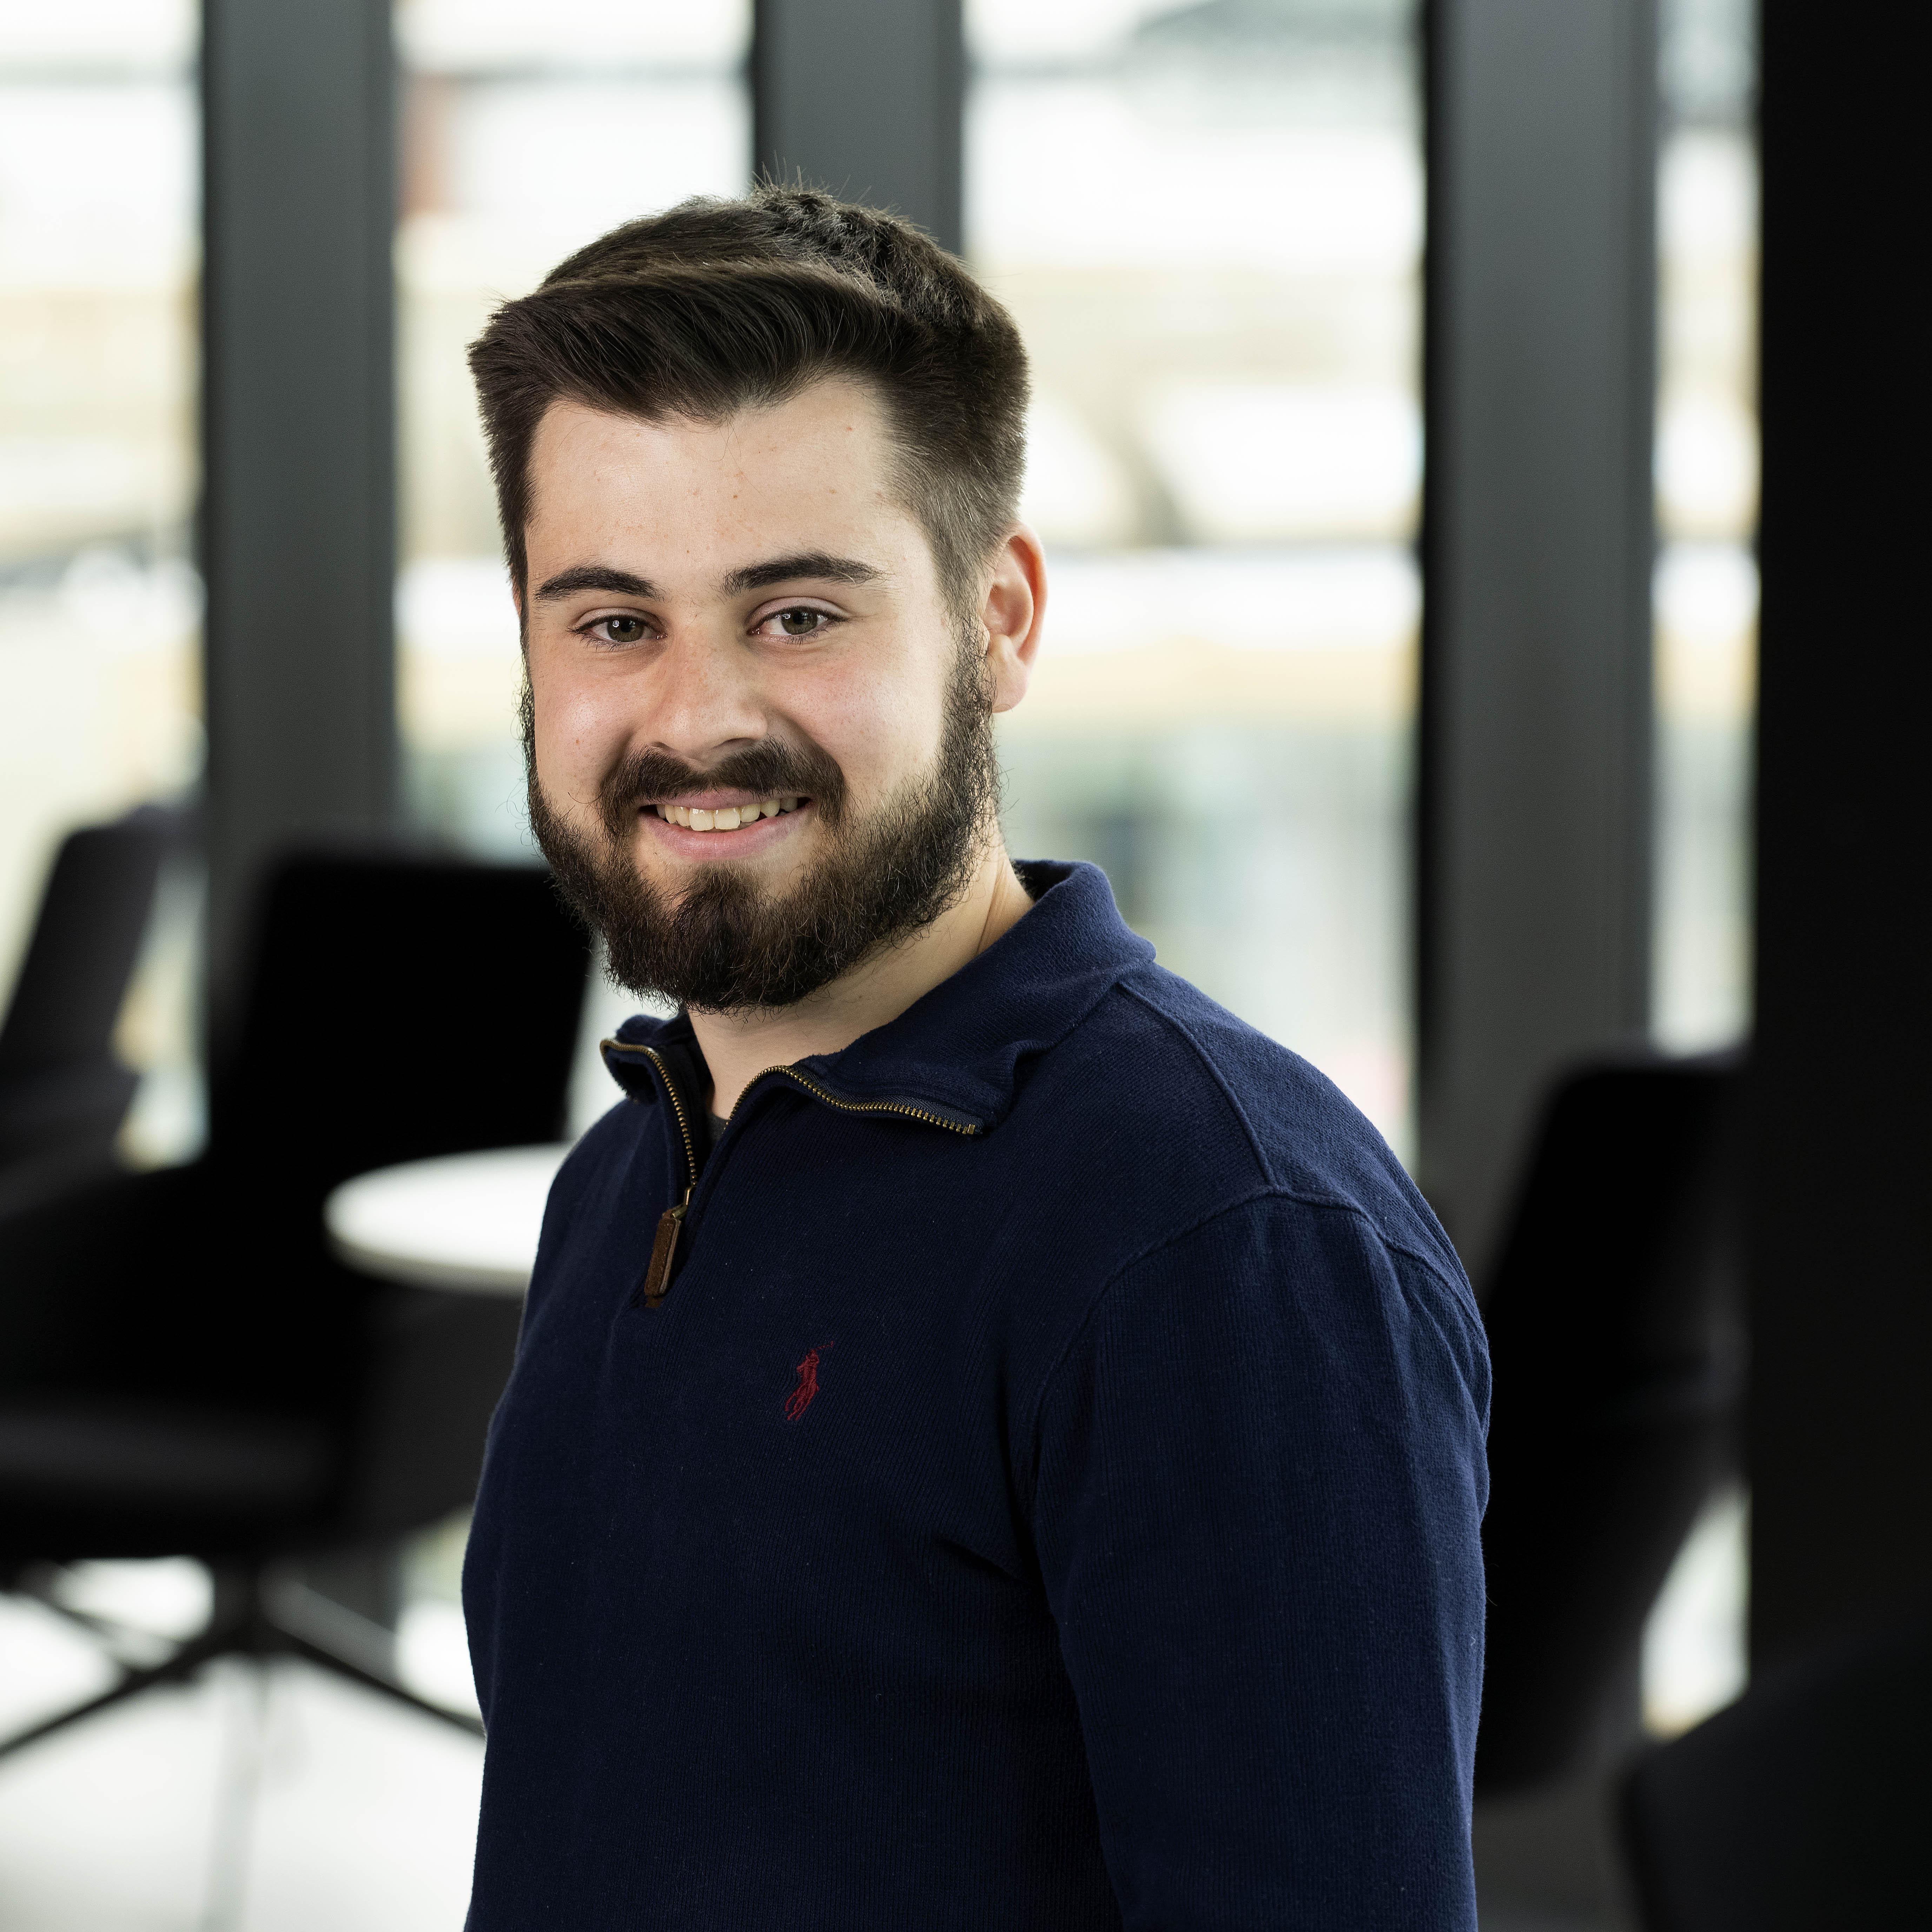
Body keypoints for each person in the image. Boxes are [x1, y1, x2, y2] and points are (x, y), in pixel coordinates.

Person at [460, 185, 1489, 1930]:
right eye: (612, 621)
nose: (697, 715)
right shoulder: (637, 1162)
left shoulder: (1220, 1241)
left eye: (796, 613)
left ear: (998, 619)